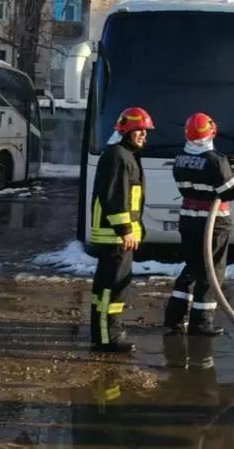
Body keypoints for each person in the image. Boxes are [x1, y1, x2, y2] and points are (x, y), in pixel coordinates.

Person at [163, 112, 234, 336]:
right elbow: (229, 192)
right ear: (211, 131)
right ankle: (201, 324)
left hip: (188, 221)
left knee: (192, 268)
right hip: (214, 225)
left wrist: (229, 168)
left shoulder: (180, 158)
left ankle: (174, 318)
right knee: (211, 273)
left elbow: (206, 179)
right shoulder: (215, 161)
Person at [87, 107, 154, 353]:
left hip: (117, 235)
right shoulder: (118, 156)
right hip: (115, 236)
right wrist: (125, 229)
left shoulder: (124, 155)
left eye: (146, 132)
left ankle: (105, 333)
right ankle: (108, 338)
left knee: (108, 287)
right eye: (140, 131)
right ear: (126, 131)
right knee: (111, 288)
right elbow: (115, 197)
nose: (144, 136)